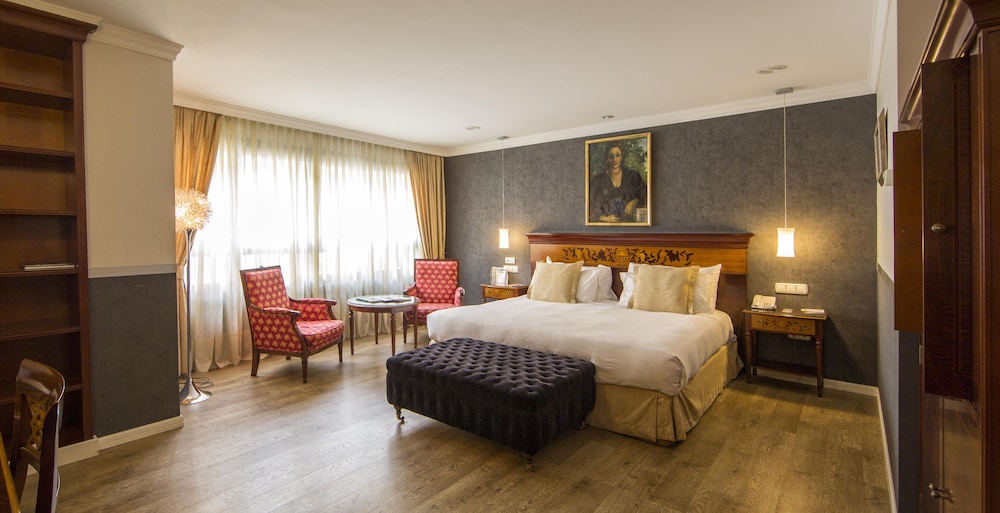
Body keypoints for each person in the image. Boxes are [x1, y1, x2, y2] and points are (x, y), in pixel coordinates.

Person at [589, 142, 647, 223]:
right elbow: (590, 211)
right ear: (607, 159)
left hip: (630, 225)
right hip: (607, 227)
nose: (614, 160)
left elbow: (645, 196)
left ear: (622, 157)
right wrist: (604, 218)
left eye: (618, 155)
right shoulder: (597, 181)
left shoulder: (632, 176)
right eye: (611, 156)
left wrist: (635, 201)